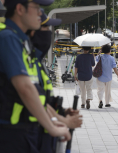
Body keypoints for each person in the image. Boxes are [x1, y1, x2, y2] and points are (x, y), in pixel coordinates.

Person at [0, 0, 71, 152]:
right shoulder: (7, 38)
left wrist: (52, 120)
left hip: (20, 131)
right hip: (8, 134)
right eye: (36, 7)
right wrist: (51, 127)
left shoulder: (20, 40)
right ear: (20, 9)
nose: (40, 13)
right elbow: (25, 88)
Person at [27, 9, 83, 153]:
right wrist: (62, 121)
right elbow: (30, 99)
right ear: (33, 31)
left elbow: (42, 100)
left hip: (42, 137)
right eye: (46, 28)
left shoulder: (36, 62)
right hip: (29, 136)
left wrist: (62, 111)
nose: (49, 33)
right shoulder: (25, 62)